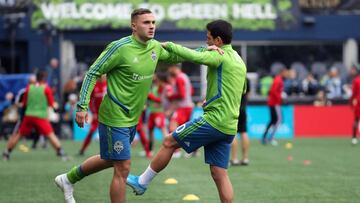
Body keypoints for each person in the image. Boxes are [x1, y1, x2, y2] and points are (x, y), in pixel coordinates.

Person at [54, 8, 182, 203]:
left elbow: (180, 56)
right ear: (134, 26)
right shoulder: (119, 47)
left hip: (132, 117)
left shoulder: (154, 48)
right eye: (146, 22)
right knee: (123, 167)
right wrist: (82, 106)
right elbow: (92, 72)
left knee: (110, 158)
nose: (152, 26)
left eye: (153, 22)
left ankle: (68, 178)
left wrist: (206, 51)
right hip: (114, 115)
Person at [127, 20, 247, 203]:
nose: (206, 43)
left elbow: (194, 57)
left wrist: (169, 45)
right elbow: (242, 89)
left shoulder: (219, 55)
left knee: (168, 141)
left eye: (208, 39)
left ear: (218, 41)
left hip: (214, 121)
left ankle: (142, 182)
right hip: (229, 126)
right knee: (219, 173)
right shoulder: (239, 59)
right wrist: (216, 97)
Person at [2, 71, 66, 161]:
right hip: (40, 116)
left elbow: (24, 103)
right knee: (50, 134)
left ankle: (6, 153)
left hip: (29, 116)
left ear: (36, 78)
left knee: (19, 135)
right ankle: (61, 152)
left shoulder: (29, 88)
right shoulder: (46, 88)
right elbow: (51, 104)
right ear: (44, 79)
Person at [79, 75, 107, 155]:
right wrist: (93, 112)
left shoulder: (109, 84)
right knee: (91, 131)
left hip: (107, 114)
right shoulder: (95, 86)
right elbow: (91, 101)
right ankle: (82, 149)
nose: (103, 76)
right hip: (97, 114)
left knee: (107, 133)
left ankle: (106, 151)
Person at [261, 68, 287, 146]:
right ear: (282, 72)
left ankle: (265, 136)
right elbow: (273, 91)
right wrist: (280, 99)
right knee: (278, 120)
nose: (287, 74)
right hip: (275, 103)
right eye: (286, 73)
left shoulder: (278, 79)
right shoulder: (278, 80)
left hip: (274, 103)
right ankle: (271, 137)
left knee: (273, 120)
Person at [230, 77, 250, 166]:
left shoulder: (231, 77)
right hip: (243, 108)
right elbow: (247, 93)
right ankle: (245, 158)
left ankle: (234, 159)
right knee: (244, 132)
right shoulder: (246, 79)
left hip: (233, 109)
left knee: (233, 133)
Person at [147, 74, 169, 155]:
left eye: (154, 75)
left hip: (158, 113)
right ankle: (149, 151)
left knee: (163, 129)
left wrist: (151, 97)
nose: (152, 77)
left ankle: (169, 147)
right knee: (150, 131)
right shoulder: (152, 86)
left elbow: (162, 99)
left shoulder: (161, 86)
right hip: (152, 112)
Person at [350, 64, 360, 145]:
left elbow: (354, 93)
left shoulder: (356, 80)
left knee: (356, 120)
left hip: (358, 102)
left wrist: (351, 102)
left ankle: (354, 137)